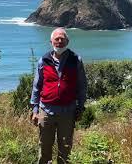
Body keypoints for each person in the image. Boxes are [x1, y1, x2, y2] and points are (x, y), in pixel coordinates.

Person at [30, 27, 87, 164]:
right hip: (46, 111)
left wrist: (80, 107)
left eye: (62, 39)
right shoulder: (43, 60)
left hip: (68, 111)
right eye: (57, 39)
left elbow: (82, 85)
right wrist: (35, 110)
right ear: (51, 41)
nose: (60, 41)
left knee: (65, 150)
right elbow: (37, 86)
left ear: (67, 41)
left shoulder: (76, 60)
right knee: (44, 147)